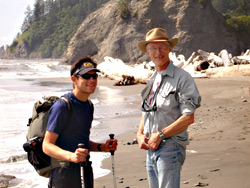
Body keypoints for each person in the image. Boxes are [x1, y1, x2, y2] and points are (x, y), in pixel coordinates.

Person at [136, 28, 201, 188]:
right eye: (153, 48)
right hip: (151, 147)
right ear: (147, 51)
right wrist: (139, 134)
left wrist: (161, 135)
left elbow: (188, 117)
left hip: (170, 146)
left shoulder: (182, 78)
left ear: (169, 49)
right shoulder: (152, 79)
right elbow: (147, 111)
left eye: (162, 47)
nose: (158, 52)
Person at [42, 56, 118, 188]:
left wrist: (102, 147)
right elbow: (47, 145)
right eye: (86, 76)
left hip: (85, 169)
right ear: (74, 79)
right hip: (64, 173)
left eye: (94, 76)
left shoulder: (88, 105)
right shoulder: (62, 106)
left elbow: (79, 139)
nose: (92, 80)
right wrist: (72, 156)